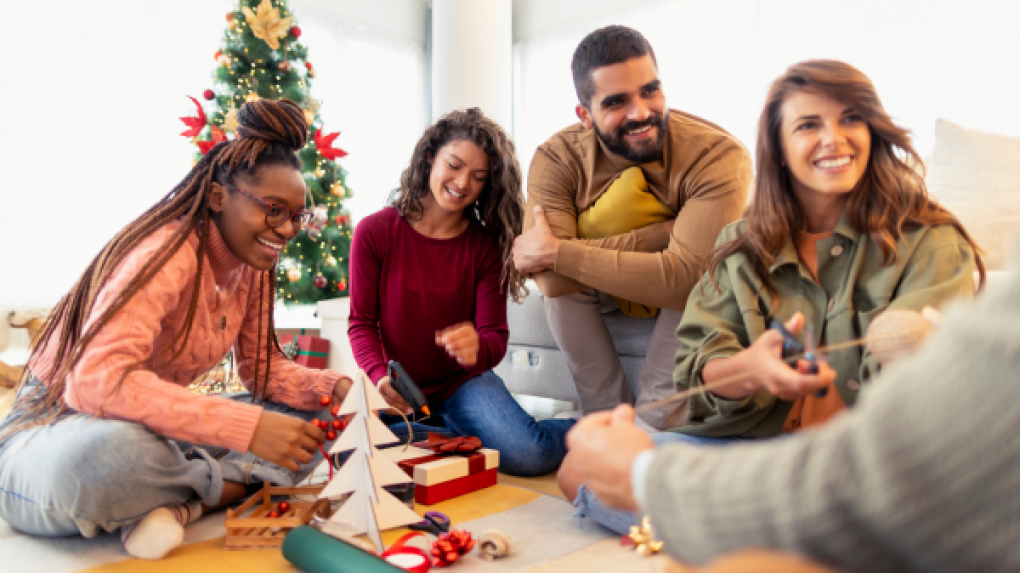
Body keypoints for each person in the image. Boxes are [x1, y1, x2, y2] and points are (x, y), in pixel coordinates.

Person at [559, 60, 985, 534]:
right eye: (808, 125)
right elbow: (700, 362)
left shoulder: (929, 239)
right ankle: (796, 536)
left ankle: (764, 534)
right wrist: (747, 371)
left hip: (872, 466)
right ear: (780, 148)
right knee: (581, 474)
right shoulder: (741, 245)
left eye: (850, 118)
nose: (834, 138)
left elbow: (921, 398)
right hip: (753, 452)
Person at [0, 99, 353, 560]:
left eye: (296, 216)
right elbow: (95, 382)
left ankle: (173, 501)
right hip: (56, 428)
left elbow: (262, 372)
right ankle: (216, 488)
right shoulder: (163, 253)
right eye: (273, 209)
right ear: (217, 197)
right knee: (113, 456)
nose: (286, 230)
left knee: (321, 417)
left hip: (153, 429)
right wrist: (246, 429)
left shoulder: (253, 266)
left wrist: (339, 386)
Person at [512, 25, 752, 429]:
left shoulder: (717, 156)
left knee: (709, 276)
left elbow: (686, 277)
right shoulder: (557, 158)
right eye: (617, 102)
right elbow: (552, 282)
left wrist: (561, 251)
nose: (640, 112)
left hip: (693, 288)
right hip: (617, 281)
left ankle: (655, 420)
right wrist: (661, 235)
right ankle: (606, 418)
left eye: (650, 91)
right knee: (563, 291)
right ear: (584, 116)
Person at [347, 108, 575, 477]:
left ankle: (579, 425)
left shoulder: (484, 247)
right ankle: (458, 435)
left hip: (463, 385)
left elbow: (494, 341)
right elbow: (360, 323)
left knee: (528, 456)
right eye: (454, 165)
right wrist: (378, 376)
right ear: (429, 157)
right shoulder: (375, 232)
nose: (463, 183)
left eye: (478, 177)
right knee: (363, 453)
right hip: (401, 387)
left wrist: (476, 349)